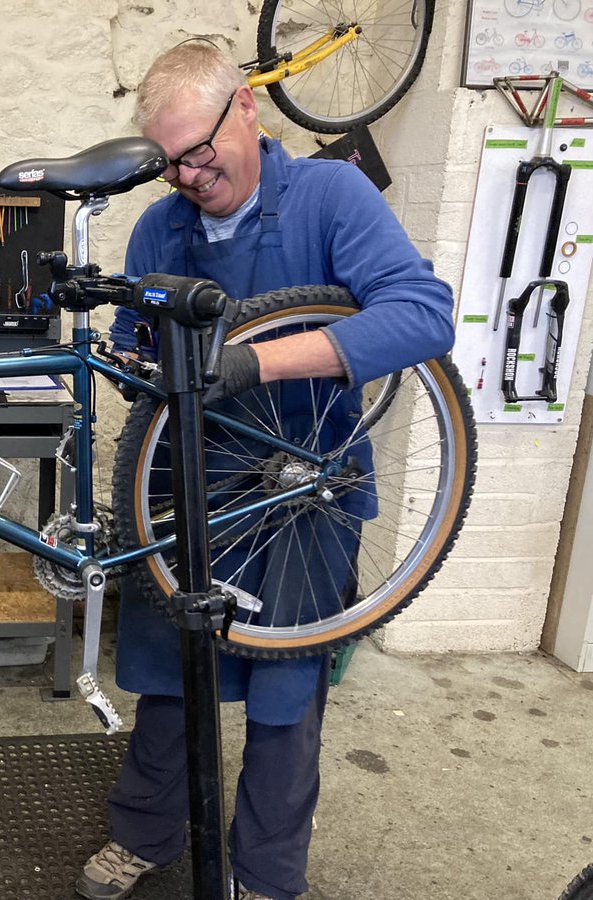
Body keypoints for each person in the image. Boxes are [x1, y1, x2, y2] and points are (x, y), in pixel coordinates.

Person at [74, 43, 455, 900]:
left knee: (287, 701)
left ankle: (266, 877)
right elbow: (144, 362)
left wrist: (260, 362)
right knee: (171, 681)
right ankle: (146, 834)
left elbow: (425, 317)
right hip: (185, 482)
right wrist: (127, 354)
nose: (189, 176)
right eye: (170, 162)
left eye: (200, 151)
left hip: (305, 489)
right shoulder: (158, 228)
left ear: (246, 107)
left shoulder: (331, 197)